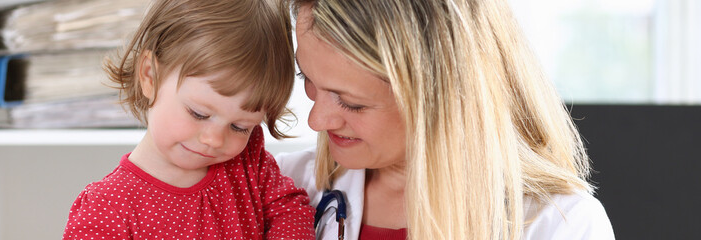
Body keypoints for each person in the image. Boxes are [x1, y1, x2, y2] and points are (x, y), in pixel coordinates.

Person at [276, 0, 616, 239]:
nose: (316, 121)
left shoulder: (560, 226)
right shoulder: (278, 188)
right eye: (306, 77)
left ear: (447, 97)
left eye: (352, 104)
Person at [62, 0, 315, 239]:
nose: (214, 139)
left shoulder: (248, 164)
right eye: (199, 114)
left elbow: (291, 210)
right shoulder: (105, 208)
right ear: (150, 76)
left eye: (240, 127)